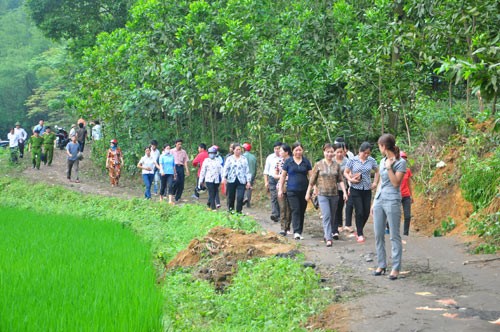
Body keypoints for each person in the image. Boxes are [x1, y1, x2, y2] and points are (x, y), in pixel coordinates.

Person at [372, 134, 406, 280]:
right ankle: (381, 264)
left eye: (379, 146)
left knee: (394, 235)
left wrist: (389, 168)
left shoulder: (400, 162)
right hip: (380, 199)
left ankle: (396, 267)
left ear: (384, 147)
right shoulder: (382, 161)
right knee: (378, 233)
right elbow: (380, 183)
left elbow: (396, 183)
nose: (379, 148)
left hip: (392, 200)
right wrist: (374, 201)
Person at [306, 143, 348, 246]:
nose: (329, 154)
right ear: (324, 152)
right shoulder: (318, 164)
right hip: (322, 194)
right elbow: (312, 181)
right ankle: (328, 238)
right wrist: (308, 193)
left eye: (331, 152)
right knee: (327, 215)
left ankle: (327, 235)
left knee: (332, 216)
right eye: (327, 152)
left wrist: (345, 192)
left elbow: (340, 180)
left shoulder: (336, 165)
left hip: (334, 194)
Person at [344, 142, 380, 243]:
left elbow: (377, 171)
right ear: (360, 151)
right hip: (356, 188)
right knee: (359, 211)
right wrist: (350, 180)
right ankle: (360, 233)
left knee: (366, 212)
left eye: (368, 153)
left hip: (367, 189)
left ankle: (360, 228)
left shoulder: (371, 160)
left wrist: (375, 182)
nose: (367, 155)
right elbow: (345, 172)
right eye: (365, 153)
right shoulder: (352, 160)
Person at [278, 142, 312, 240]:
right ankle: (296, 231)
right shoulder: (288, 162)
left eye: (300, 150)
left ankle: (299, 231)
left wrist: (313, 189)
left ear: (302, 150)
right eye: (296, 150)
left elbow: (311, 176)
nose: (298, 152)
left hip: (304, 190)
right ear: (292, 151)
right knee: (295, 209)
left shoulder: (306, 161)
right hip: (291, 190)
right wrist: (280, 189)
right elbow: (283, 176)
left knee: (302, 211)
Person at [222, 143, 252, 213]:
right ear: (233, 150)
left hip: (241, 180)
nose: (238, 151)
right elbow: (226, 168)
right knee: (231, 197)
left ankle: (239, 211)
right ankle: (231, 210)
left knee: (240, 197)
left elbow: (247, 170)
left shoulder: (244, 159)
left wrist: (248, 181)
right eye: (237, 149)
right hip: (231, 179)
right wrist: (224, 177)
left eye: (239, 149)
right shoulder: (229, 159)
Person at [333, 142, 353, 233]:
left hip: (344, 185)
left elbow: (349, 173)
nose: (339, 154)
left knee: (341, 205)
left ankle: (342, 224)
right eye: (337, 152)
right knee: (335, 206)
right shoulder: (331, 161)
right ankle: (337, 224)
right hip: (333, 186)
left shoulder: (347, 161)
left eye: (341, 152)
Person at [274, 143, 292, 236]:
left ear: (286, 152)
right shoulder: (279, 162)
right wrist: (283, 176)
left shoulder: (292, 161)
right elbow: (275, 175)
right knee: (282, 208)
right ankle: (282, 228)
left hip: (291, 186)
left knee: (289, 208)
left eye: (281, 150)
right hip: (280, 186)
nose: (279, 152)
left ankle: (288, 227)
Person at [264, 142, 283, 222]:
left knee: (281, 197)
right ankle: (275, 214)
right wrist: (266, 181)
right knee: (274, 196)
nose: (277, 150)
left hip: (282, 178)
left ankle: (282, 214)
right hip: (272, 179)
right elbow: (266, 170)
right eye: (275, 149)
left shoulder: (284, 157)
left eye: (279, 148)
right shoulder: (270, 157)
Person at [400, 151, 413, 236]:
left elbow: (409, 183)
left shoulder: (407, 171)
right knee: (394, 215)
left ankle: (405, 234)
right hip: (396, 196)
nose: (404, 161)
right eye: (402, 159)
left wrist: (411, 195)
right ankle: (388, 228)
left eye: (405, 159)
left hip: (406, 195)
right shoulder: (394, 170)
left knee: (407, 216)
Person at [242, 142, 257, 207]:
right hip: (252, 174)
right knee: (249, 188)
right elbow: (255, 167)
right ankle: (248, 203)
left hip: (244, 174)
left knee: (242, 187)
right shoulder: (253, 157)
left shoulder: (242, 156)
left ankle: (244, 198)